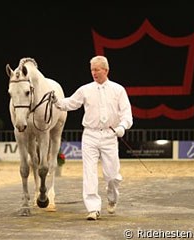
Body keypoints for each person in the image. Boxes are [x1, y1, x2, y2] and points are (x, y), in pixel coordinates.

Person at [52, 56, 133, 220]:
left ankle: (112, 198)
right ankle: (93, 208)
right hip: (90, 135)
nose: (94, 73)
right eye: (92, 70)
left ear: (106, 70)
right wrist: (57, 102)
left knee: (112, 176)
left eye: (97, 69)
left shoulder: (118, 90)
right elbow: (71, 103)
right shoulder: (85, 89)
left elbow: (127, 114)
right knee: (89, 172)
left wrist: (122, 127)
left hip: (110, 136)